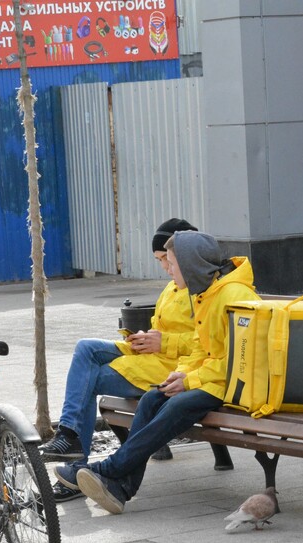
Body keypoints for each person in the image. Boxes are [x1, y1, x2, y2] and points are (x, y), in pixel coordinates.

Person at [53, 231, 258, 514]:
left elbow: (240, 361)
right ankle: (120, 488)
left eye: (172, 263)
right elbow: (200, 347)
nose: (168, 269)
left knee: (178, 404)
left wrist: (190, 379)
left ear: (191, 264)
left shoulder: (234, 295)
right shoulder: (207, 294)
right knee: (152, 398)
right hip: (208, 378)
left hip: (231, 383)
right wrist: (182, 374)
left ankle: (109, 468)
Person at [40, 218, 199, 501]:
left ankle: (74, 461)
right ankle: (69, 436)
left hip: (170, 369)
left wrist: (164, 342)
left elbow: (208, 342)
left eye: (167, 259)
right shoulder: (174, 286)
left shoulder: (200, 289)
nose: (164, 267)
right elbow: (166, 329)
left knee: (85, 381)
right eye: (160, 260)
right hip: (153, 357)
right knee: (85, 348)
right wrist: (143, 338)